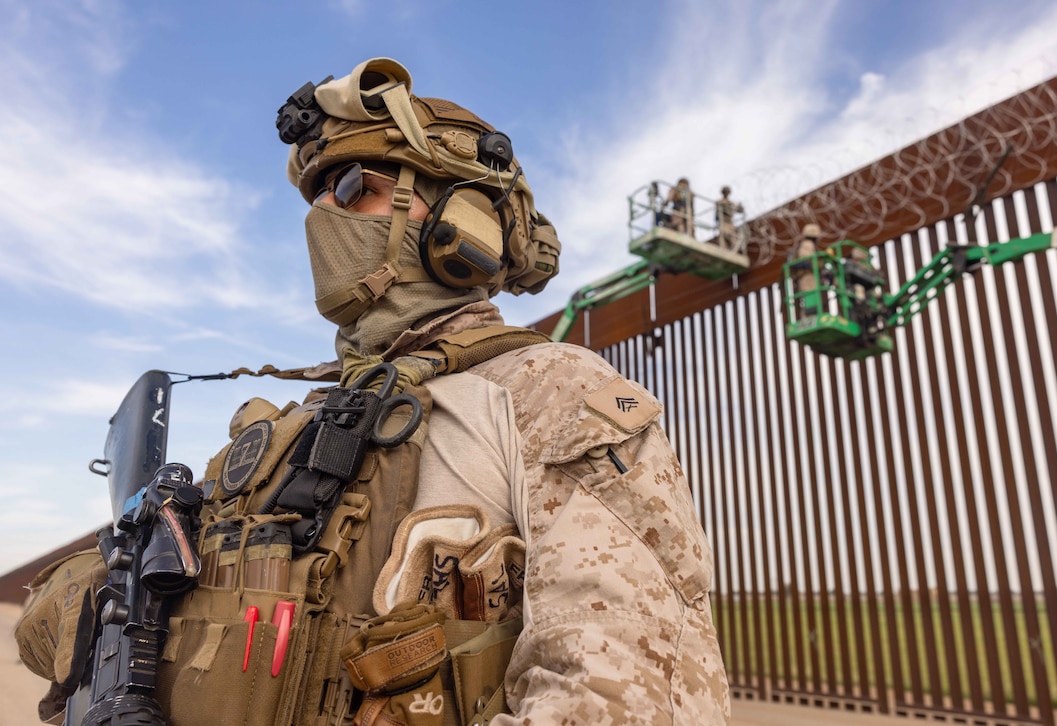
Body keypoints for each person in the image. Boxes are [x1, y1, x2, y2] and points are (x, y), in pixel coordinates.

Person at [16, 57, 730, 725]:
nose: (326, 215)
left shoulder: (551, 395)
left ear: (461, 222)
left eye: (357, 187)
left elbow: (621, 689)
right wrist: (92, 601)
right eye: (320, 196)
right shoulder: (291, 432)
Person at [789, 222, 822, 317]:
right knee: (810, 294)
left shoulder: (804, 245)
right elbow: (808, 260)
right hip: (807, 275)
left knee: (809, 296)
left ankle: (809, 315)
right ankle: (810, 316)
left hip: (806, 275)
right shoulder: (808, 245)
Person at [714, 186, 744, 251]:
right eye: (725, 192)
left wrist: (739, 207)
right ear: (723, 193)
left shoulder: (731, 203)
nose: (726, 194)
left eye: (727, 192)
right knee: (723, 239)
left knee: (733, 240)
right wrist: (731, 209)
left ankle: (733, 253)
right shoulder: (719, 202)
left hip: (730, 223)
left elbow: (740, 211)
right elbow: (722, 211)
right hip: (723, 223)